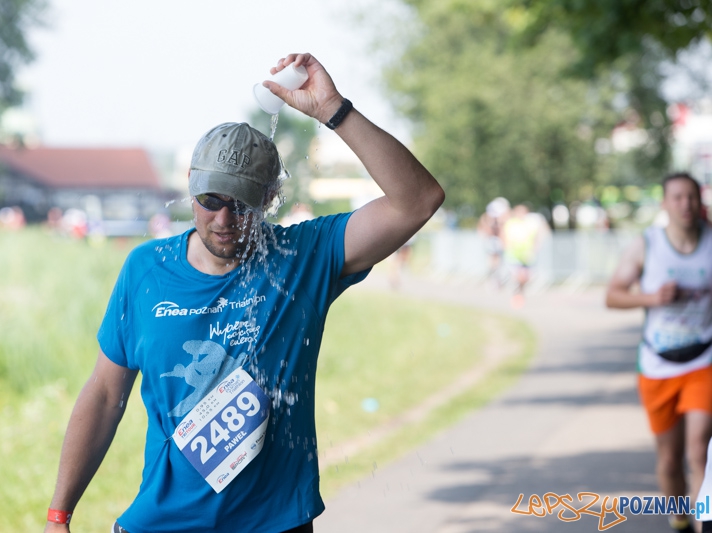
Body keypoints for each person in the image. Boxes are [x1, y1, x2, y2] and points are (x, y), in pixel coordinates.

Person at [43, 53, 444, 533]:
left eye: (242, 204)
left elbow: (418, 200)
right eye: (212, 200)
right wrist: (58, 515)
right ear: (191, 187)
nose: (225, 220)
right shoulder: (145, 271)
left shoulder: (303, 258)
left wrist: (334, 110)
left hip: (274, 525)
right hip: (162, 524)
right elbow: (106, 395)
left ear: (269, 198)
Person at [606, 172, 712, 533]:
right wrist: (652, 297)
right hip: (658, 363)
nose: (686, 205)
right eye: (677, 198)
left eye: (692, 197)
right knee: (669, 461)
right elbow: (612, 295)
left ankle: (704, 525)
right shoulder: (647, 245)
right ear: (665, 204)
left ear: (701, 202)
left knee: (699, 452)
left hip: (704, 359)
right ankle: (681, 521)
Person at [477, 197, 510, 288]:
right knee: (493, 262)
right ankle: (493, 280)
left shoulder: (503, 217)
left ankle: (498, 280)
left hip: (500, 241)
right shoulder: (488, 217)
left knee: (499, 262)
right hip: (493, 241)